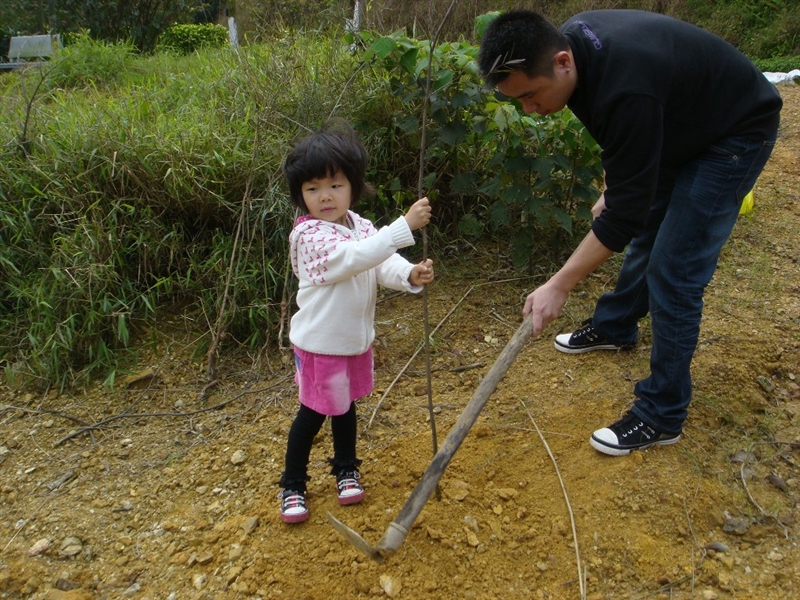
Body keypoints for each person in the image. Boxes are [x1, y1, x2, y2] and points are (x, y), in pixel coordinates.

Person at [478, 10, 781, 456]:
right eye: (517, 100)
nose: (529, 110)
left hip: (734, 132)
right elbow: (617, 136)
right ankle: (616, 326)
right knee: (646, 235)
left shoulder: (625, 83)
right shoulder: (576, 52)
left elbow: (623, 216)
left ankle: (662, 414)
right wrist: (614, 184)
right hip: (681, 122)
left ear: (562, 62)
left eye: (530, 95)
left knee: (674, 271)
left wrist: (558, 286)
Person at [279, 120, 434, 523]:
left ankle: (346, 469)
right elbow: (354, 259)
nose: (324, 197)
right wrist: (403, 227)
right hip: (319, 345)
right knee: (312, 414)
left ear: (353, 184)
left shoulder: (358, 225)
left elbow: (378, 260)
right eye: (312, 189)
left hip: (352, 341)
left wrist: (408, 274)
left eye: (334, 185)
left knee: (346, 407)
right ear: (300, 196)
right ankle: (293, 485)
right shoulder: (309, 236)